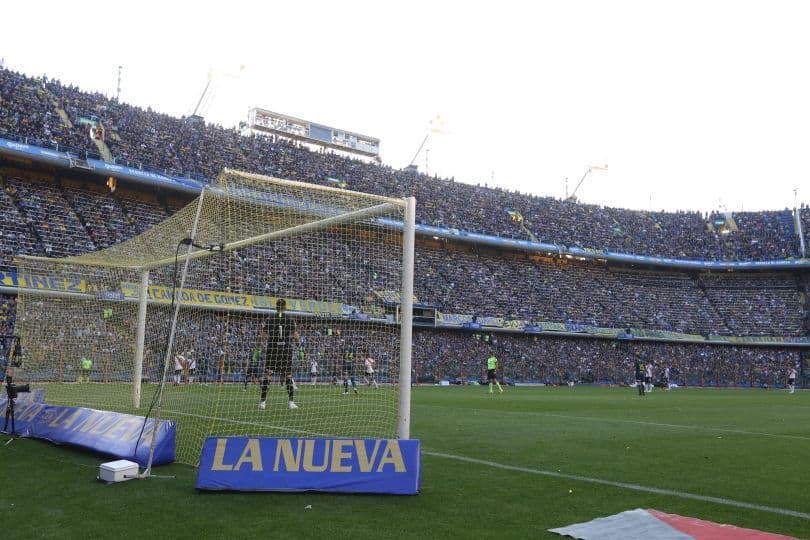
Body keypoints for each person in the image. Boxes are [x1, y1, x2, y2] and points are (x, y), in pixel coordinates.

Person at [259, 298, 301, 410]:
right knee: (288, 375)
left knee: (268, 375)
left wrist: (261, 346)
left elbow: (262, 335)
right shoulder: (290, 319)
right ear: (285, 307)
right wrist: (298, 346)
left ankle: (262, 402)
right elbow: (295, 336)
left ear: (276, 307)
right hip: (285, 350)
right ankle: (291, 402)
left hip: (272, 350)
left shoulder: (270, 318)